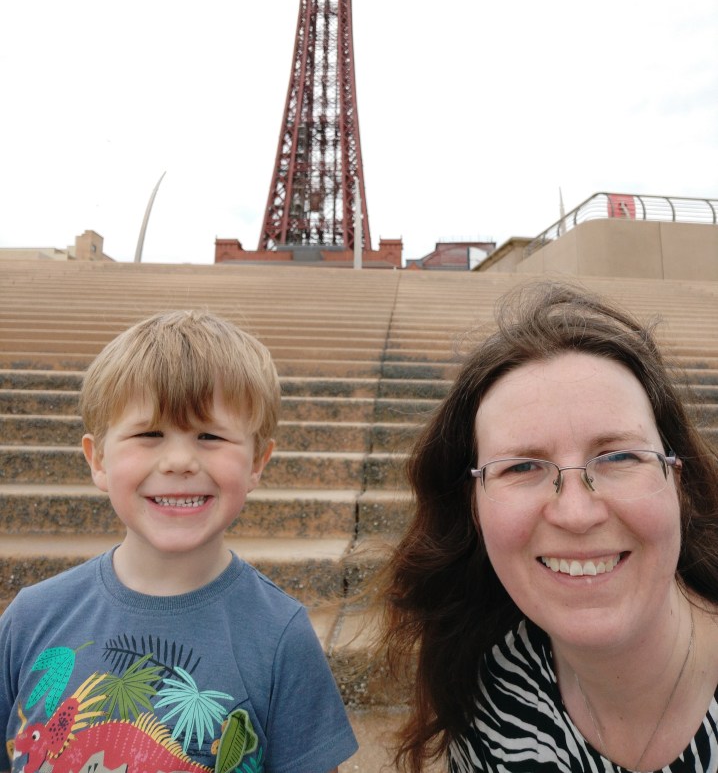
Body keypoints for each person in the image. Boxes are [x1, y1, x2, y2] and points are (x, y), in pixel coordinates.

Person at [378, 281, 718, 773]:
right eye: (520, 467)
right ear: (473, 505)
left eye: (619, 456)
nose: (576, 514)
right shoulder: (491, 698)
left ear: (676, 480)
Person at [0, 310, 357, 773]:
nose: (179, 460)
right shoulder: (31, 617)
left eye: (210, 435)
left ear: (257, 462)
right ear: (99, 460)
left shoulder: (281, 634)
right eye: (149, 434)